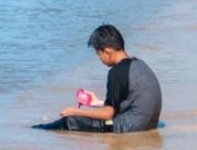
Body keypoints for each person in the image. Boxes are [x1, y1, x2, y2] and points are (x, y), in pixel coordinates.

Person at [33, 24, 162, 133]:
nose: (100, 58)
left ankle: (35, 129)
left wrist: (76, 112)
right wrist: (97, 103)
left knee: (69, 121)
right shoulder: (139, 64)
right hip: (148, 125)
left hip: (130, 127)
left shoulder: (117, 73)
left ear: (108, 52)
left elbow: (108, 114)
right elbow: (127, 101)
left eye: (99, 54)